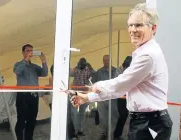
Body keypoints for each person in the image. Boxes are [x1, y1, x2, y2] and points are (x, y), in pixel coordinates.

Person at [70, 3, 173, 140]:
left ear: (153, 28)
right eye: (130, 25)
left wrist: (96, 86)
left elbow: (120, 84)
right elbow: (120, 89)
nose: (132, 29)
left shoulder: (147, 55)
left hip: (150, 123)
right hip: (146, 121)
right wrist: (87, 97)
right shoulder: (143, 52)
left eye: (138, 25)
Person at [13, 44, 48, 140]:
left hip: (33, 96)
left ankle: (29, 138)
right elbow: (17, 71)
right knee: (21, 119)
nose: (30, 52)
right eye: (28, 50)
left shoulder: (34, 67)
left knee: (32, 120)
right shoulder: (18, 64)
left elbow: (44, 73)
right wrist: (26, 60)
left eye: (31, 50)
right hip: (23, 96)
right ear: (23, 52)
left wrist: (44, 61)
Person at [92, 54, 118, 140]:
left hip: (112, 98)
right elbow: (93, 83)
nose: (106, 62)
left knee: (113, 116)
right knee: (103, 117)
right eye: (104, 60)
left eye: (107, 60)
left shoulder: (115, 71)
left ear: (110, 60)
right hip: (101, 99)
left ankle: (111, 134)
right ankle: (104, 132)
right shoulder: (99, 72)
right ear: (103, 61)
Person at [113, 56, 132, 140]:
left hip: (131, 95)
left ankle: (131, 135)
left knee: (133, 116)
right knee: (123, 115)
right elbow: (118, 82)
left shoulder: (132, 69)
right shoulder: (119, 70)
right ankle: (117, 135)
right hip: (121, 97)